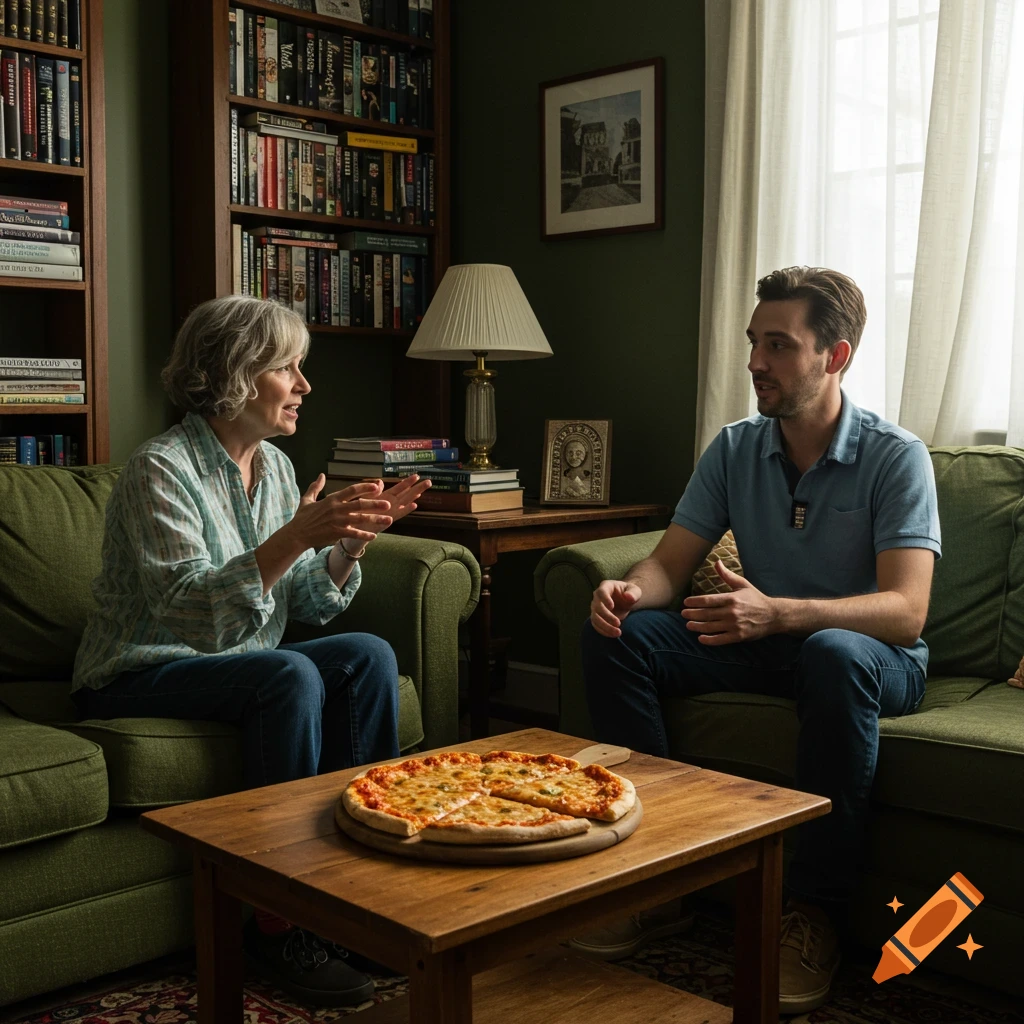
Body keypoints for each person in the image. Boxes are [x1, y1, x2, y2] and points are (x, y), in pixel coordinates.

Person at [575, 267, 940, 1014]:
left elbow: (907, 612)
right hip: (772, 643)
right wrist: (630, 590)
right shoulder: (736, 447)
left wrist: (779, 614)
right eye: (753, 342)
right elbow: (669, 564)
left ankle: (813, 913)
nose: (754, 363)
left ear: (835, 356)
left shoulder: (895, 455)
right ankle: (657, 881)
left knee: (832, 652)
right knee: (622, 636)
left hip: (874, 660)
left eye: (778, 345)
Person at [72, 295, 431, 1008]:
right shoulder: (160, 470)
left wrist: (346, 546)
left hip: (239, 664)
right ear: (236, 374)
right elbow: (194, 617)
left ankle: (361, 900)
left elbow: (304, 601)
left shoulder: (275, 469)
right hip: (139, 669)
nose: (305, 385)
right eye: (288, 368)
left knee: (367, 654)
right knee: (288, 673)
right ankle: (278, 922)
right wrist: (297, 535)